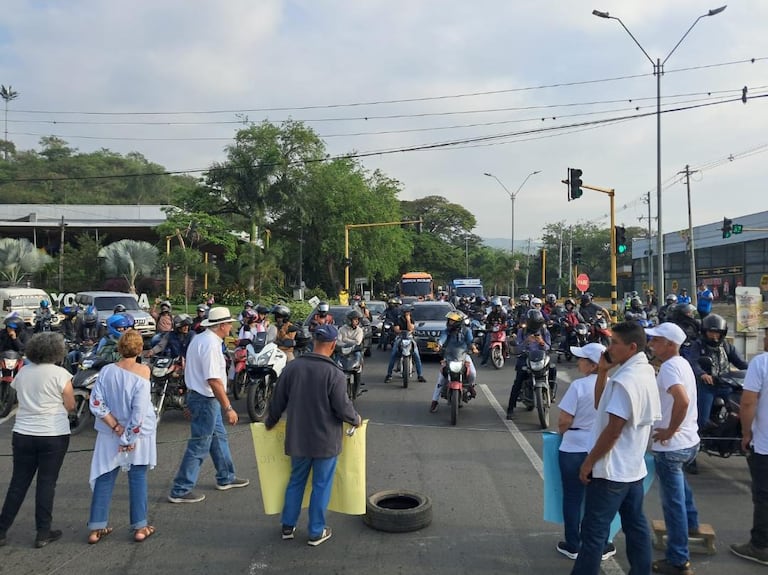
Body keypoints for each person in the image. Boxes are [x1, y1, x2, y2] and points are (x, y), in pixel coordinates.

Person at [571, 321, 661, 575]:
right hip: (632, 468)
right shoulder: (642, 373)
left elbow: (613, 430)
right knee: (636, 526)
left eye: (614, 343)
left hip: (612, 470)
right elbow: (602, 405)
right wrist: (602, 372)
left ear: (631, 347)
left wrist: (589, 462)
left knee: (593, 533)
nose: (609, 348)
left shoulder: (627, 380)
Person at [265, 323, 361, 546]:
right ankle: (316, 531)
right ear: (333, 345)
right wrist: (355, 419)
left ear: (314, 342)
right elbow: (342, 407)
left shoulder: (293, 367)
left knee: (296, 480)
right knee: (320, 484)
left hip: (298, 437)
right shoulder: (334, 373)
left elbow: (277, 399)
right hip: (325, 441)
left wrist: (270, 421)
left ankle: (288, 526)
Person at [0, 332, 74, 549]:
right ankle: (43, 532)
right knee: (46, 482)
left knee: (18, 482)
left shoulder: (23, 372)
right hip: (53, 433)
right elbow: (70, 405)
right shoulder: (61, 374)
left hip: (23, 432)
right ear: (57, 352)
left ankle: (2, 529)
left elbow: (17, 395)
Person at [168, 307, 249, 503]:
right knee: (200, 444)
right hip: (205, 399)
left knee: (217, 438)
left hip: (198, 396)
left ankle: (226, 476)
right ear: (221, 325)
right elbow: (214, 380)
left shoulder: (199, 339)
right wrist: (228, 408)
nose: (231, 326)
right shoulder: (212, 345)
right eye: (229, 323)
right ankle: (180, 488)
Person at [87, 329, 157, 544]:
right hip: (138, 435)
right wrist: (128, 437)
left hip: (110, 432)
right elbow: (139, 411)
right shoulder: (143, 372)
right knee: (137, 476)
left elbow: (96, 403)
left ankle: (96, 527)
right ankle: (140, 527)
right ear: (140, 348)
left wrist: (116, 427)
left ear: (119, 348)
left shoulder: (107, 371)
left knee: (105, 475)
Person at [645, 322, 701, 575]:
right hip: (689, 442)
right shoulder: (682, 363)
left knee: (672, 503)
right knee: (681, 491)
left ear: (670, 344)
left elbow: (682, 400)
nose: (651, 344)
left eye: (656, 340)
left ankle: (679, 559)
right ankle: (691, 525)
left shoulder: (669, 368)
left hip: (672, 446)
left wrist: (669, 430)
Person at [556, 342, 616, 561]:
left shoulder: (578, 386)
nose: (578, 362)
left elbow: (564, 421)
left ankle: (573, 544)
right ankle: (602, 543)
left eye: (582, 359)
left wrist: (564, 432)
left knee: (572, 497)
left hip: (573, 447)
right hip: (601, 446)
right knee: (599, 499)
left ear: (592, 365)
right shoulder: (613, 385)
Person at [731, 327, 768, 565]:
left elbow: (747, 403)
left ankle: (760, 545)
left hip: (764, 444)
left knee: (764, 495)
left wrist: (746, 433)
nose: (764, 338)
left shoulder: (761, 363)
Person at [686, 313, 748, 430]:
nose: (714, 335)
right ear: (704, 332)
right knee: (702, 421)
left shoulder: (726, 346)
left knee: (742, 409)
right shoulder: (698, 345)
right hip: (707, 387)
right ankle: (706, 438)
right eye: (711, 332)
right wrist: (702, 374)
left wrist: (756, 372)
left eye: (717, 332)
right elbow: (693, 363)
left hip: (727, 385)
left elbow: (741, 363)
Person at [507, 309, 551, 420]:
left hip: (541, 357)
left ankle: (551, 392)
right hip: (526, 357)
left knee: (553, 369)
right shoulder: (522, 331)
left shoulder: (544, 331)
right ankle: (510, 409)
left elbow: (548, 346)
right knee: (518, 381)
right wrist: (526, 341)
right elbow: (517, 347)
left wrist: (542, 342)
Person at [430, 311, 478, 413]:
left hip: (463, 356)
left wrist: (473, 348)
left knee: (473, 373)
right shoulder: (446, 331)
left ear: (458, 322)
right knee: (441, 379)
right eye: (449, 320)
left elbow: (470, 341)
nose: (449, 322)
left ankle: (471, 386)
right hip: (449, 357)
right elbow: (442, 339)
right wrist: (438, 346)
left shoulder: (466, 331)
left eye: (452, 321)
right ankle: (434, 401)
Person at [385, 305, 426, 383]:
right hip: (400, 338)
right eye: (407, 312)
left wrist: (408, 320)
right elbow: (396, 329)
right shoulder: (398, 319)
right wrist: (401, 331)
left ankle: (420, 375)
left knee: (416, 355)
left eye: (409, 312)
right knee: (393, 354)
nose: (408, 313)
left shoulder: (411, 319)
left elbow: (411, 328)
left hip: (410, 338)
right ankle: (389, 375)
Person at [65, 305, 101, 374]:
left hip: (95, 350)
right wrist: (82, 342)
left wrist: (93, 342)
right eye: (87, 316)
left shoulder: (100, 326)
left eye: (90, 316)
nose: (89, 318)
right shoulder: (82, 325)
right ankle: (70, 374)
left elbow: (102, 338)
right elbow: (77, 336)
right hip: (82, 349)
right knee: (70, 356)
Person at [480, 297, 508, 366]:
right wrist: (489, 327)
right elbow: (487, 323)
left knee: (506, 343)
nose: (497, 308)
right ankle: (484, 361)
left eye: (498, 306)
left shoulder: (503, 314)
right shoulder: (490, 315)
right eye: (496, 307)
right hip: (492, 332)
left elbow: (506, 323)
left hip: (501, 331)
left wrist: (504, 326)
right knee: (486, 345)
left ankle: (506, 354)